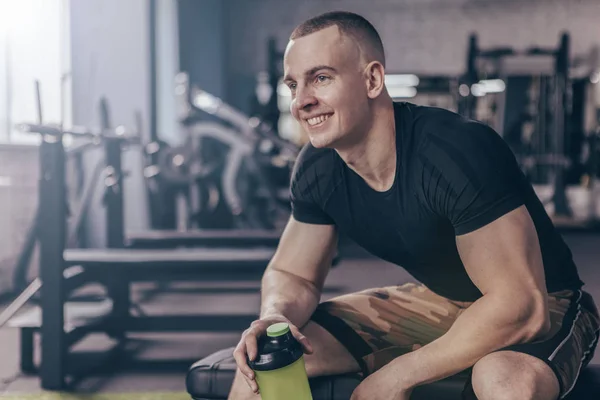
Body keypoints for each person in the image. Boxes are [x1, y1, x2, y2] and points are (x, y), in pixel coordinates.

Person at [229, 11, 600, 400]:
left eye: (321, 78)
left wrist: (396, 375)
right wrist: (274, 315)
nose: (302, 101)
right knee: (270, 360)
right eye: (293, 84)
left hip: (545, 300)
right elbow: (294, 275)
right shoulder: (317, 168)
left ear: (372, 80)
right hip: (440, 300)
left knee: (505, 382)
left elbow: (521, 306)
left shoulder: (454, 153)